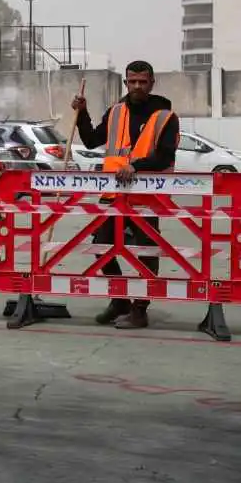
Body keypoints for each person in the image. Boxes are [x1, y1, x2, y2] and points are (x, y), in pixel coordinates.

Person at [71, 60, 179, 330]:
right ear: (126, 83)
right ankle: (119, 300)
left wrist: (136, 166)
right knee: (100, 247)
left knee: (146, 253)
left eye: (143, 81)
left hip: (146, 198)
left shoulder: (165, 115)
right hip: (113, 196)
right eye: (132, 81)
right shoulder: (116, 112)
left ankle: (140, 309)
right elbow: (91, 140)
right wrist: (82, 113)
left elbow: (165, 155)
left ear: (152, 83)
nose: (138, 86)